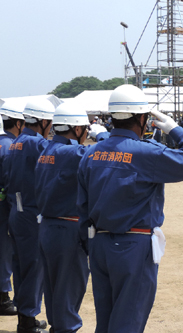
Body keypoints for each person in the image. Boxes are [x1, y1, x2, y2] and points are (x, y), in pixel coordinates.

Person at [77, 84, 183, 332]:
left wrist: (89, 244)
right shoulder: (146, 153)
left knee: (106, 320)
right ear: (142, 119)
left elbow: (82, 206)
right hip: (133, 247)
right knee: (128, 321)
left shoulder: (91, 154)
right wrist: (177, 130)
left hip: (99, 245)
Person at [34, 102, 108, 333]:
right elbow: (107, 151)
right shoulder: (73, 152)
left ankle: (58, 327)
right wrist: (103, 134)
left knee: (53, 286)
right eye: (85, 130)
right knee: (69, 287)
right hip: (67, 229)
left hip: (47, 226)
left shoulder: (45, 149)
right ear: (77, 130)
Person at [3, 99, 55, 332]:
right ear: (43, 122)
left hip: (17, 209)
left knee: (21, 265)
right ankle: (28, 319)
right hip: (32, 213)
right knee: (34, 267)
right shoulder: (37, 144)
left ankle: (25, 316)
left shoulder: (16, 142)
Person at [0, 101, 25, 317]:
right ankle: (3, 296)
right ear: (18, 124)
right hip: (5, 207)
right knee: (5, 252)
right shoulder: (11, 147)